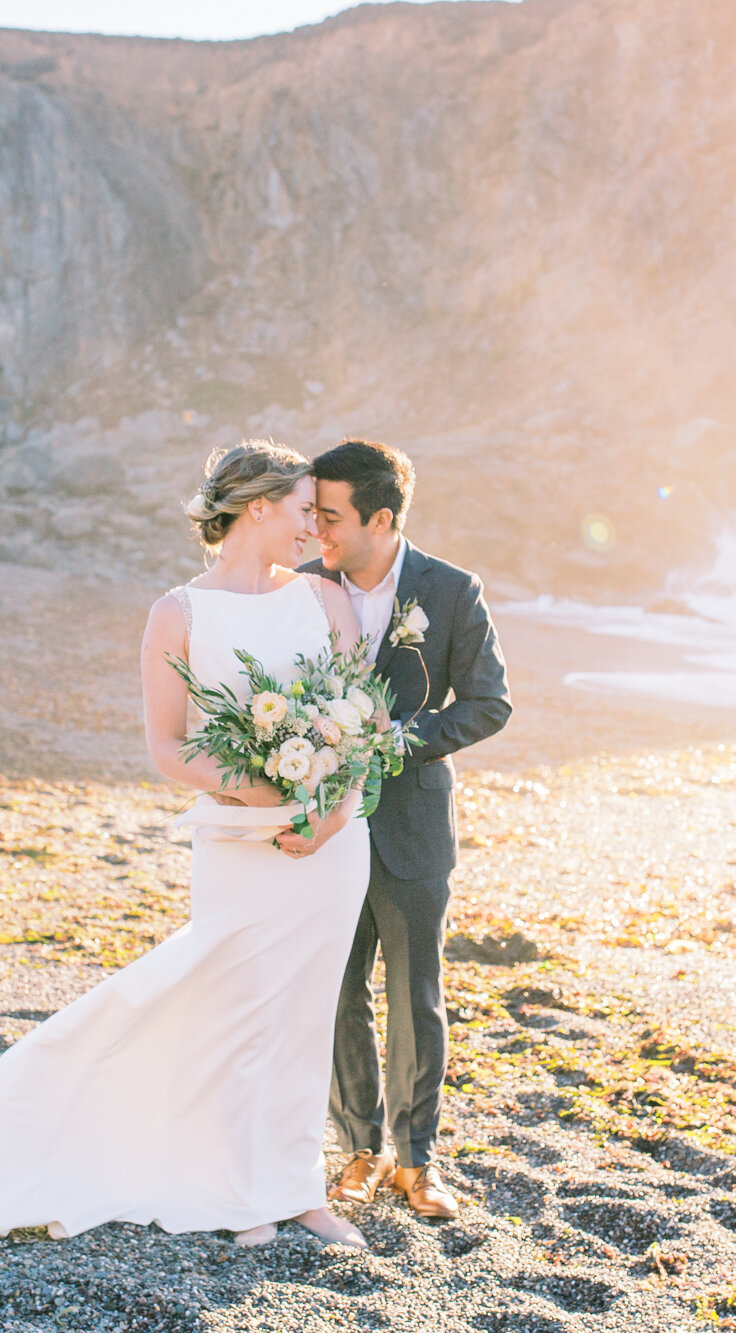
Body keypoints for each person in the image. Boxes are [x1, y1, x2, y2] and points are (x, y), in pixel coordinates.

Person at [0, 440, 370, 1249]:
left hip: (330, 845)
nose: (313, 526)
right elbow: (170, 748)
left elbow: (360, 723)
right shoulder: (178, 612)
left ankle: (298, 1189)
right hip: (239, 841)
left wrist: (331, 807)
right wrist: (260, 787)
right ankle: (235, 1193)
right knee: (234, 1018)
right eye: (301, 509)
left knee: (304, 1017)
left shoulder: (327, 602)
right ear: (258, 507)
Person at [296, 439, 512, 1220]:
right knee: (335, 986)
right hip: (326, 824)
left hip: (413, 823)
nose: (315, 527)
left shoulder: (451, 590)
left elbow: (491, 703)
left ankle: (417, 1160)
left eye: (330, 515)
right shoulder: (300, 588)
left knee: (417, 995)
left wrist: (400, 736)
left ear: (381, 517)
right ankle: (359, 1147)